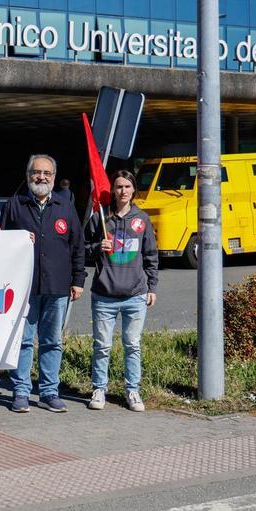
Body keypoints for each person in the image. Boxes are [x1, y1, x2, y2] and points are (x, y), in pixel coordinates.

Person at [0, 154, 85, 414]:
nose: (42, 177)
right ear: (28, 176)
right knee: (23, 342)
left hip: (58, 286)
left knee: (52, 342)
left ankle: (49, 392)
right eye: (37, 172)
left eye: (47, 173)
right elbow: (2, 247)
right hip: (23, 289)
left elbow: (77, 245)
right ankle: (21, 392)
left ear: (54, 177)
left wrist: (78, 280)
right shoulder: (15, 205)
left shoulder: (65, 206)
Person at [87, 170, 158, 413]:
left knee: (132, 345)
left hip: (135, 295)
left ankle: (133, 390)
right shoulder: (100, 219)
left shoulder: (142, 219)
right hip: (104, 295)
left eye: (127, 186)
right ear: (113, 190)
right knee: (102, 345)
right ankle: (99, 388)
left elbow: (150, 256)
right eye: (118, 187)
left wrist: (152, 287)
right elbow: (82, 250)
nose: (123, 191)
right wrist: (98, 247)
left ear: (133, 189)